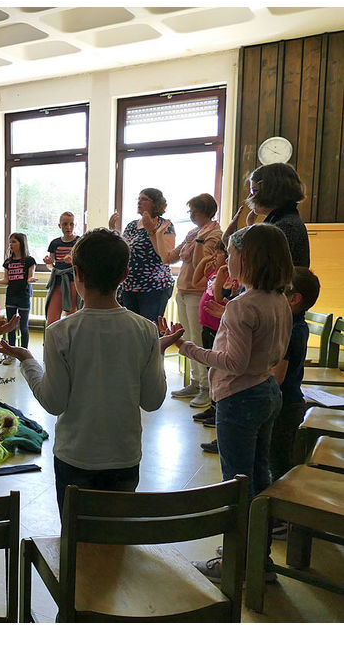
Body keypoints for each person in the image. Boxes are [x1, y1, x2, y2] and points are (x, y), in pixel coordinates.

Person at [0, 228, 174, 515]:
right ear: (125, 274)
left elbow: (54, 403)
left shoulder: (60, 332)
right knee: (115, 544)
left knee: (76, 546)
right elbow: (152, 401)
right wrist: (158, 352)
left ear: (76, 272)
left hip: (75, 458)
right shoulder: (145, 330)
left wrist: (27, 359)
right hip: (124, 458)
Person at [165, 224, 293, 582]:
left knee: (236, 484)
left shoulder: (242, 306)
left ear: (248, 258)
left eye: (231, 254)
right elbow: (272, 350)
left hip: (239, 398)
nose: (224, 260)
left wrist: (187, 347)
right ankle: (259, 557)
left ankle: (236, 565)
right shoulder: (278, 299)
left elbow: (234, 362)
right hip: (266, 391)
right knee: (259, 476)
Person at [163, 193, 223, 409]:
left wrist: (197, 243)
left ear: (206, 212)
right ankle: (195, 382)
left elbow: (201, 263)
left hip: (198, 291)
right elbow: (170, 257)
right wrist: (158, 234)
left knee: (198, 339)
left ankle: (206, 388)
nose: (190, 215)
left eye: (194, 211)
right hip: (183, 289)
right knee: (186, 336)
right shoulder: (193, 232)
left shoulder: (214, 234)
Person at [269, 267, 320, 488]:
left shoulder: (288, 329)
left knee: (278, 463)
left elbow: (277, 377)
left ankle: (281, 514)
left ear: (294, 299)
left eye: (279, 290)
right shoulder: (297, 323)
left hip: (283, 407)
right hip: (289, 402)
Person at [193, 243, 239, 444]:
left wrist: (223, 270)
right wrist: (208, 262)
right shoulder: (213, 272)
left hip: (218, 328)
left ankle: (217, 407)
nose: (217, 256)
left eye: (221, 253)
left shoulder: (230, 277)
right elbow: (195, 281)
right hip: (207, 326)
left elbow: (219, 296)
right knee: (210, 368)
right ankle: (212, 407)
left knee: (217, 368)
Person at [223, 163, 310, 267]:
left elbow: (255, 269)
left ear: (271, 191)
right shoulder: (284, 220)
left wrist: (230, 241)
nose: (250, 196)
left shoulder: (285, 227)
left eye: (254, 191)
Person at [109, 188, 176, 322]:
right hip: (130, 286)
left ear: (156, 203)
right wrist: (112, 229)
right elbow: (122, 249)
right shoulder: (132, 225)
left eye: (144, 199)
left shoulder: (164, 224)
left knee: (149, 329)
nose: (139, 202)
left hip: (154, 287)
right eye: (138, 199)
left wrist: (151, 231)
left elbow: (166, 256)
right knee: (132, 329)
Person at [0, 232, 37, 360]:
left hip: (24, 296)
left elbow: (30, 275)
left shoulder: (29, 260)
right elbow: (6, 280)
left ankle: (24, 354)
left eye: (14, 241)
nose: (11, 244)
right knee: (11, 326)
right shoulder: (8, 262)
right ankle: (11, 354)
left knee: (24, 326)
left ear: (21, 243)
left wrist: (31, 279)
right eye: (10, 241)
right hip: (11, 296)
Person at [43, 213, 80, 327]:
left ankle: (71, 343)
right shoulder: (55, 243)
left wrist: (73, 261)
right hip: (57, 282)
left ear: (75, 225)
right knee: (52, 319)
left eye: (71, 224)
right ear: (60, 226)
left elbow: (83, 264)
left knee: (71, 317)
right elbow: (51, 267)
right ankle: (52, 343)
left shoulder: (79, 241)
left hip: (73, 282)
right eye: (65, 224)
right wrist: (49, 262)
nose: (68, 227)